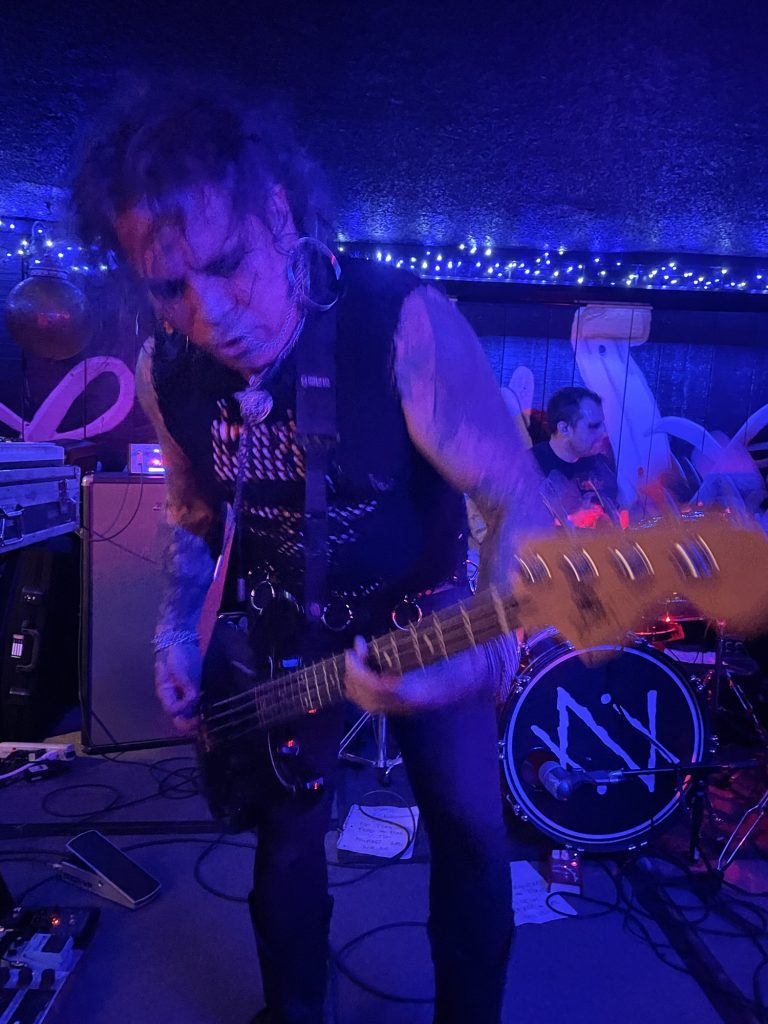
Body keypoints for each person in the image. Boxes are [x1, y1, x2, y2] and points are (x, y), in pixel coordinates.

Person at [72, 80, 549, 1024]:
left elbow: (516, 498)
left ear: (281, 216)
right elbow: (192, 508)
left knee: (469, 834)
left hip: (430, 617)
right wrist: (175, 631)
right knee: (285, 843)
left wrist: (481, 658)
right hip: (287, 635)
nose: (210, 314)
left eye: (229, 264)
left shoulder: (402, 324)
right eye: (169, 287)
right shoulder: (166, 369)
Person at [530, 385, 619, 528]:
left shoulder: (601, 465)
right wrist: (571, 520)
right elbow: (517, 528)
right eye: (593, 426)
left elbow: (616, 511)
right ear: (564, 429)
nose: (604, 433)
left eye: (603, 425)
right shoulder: (528, 466)